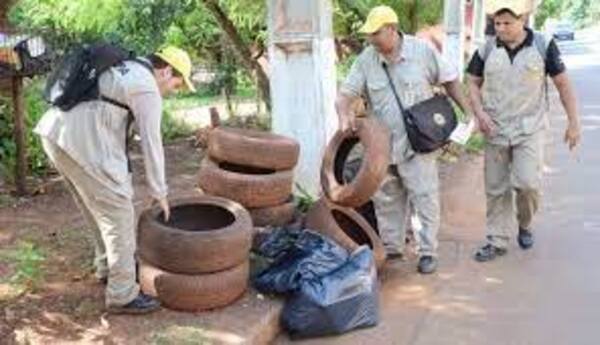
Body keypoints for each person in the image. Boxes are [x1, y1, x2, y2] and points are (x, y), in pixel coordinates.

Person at [34, 46, 196, 313]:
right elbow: (152, 144)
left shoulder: (128, 67)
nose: (173, 91)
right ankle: (122, 294)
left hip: (55, 134)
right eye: (177, 84)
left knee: (96, 205)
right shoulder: (146, 87)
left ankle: (107, 266)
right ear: (166, 70)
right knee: (118, 210)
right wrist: (160, 192)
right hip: (79, 140)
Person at [336, 5, 472, 274]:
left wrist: (467, 111)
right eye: (369, 35)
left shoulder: (421, 51)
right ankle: (393, 248)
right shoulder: (366, 60)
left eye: (375, 33)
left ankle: (427, 251)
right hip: (383, 146)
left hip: (418, 142)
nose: (371, 39)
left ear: (391, 29)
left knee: (424, 197)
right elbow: (345, 95)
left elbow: (450, 80)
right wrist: (344, 115)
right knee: (387, 198)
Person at [466, 2, 580, 262]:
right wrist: (479, 113)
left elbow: (562, 84)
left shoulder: (542, 45)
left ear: (523, 20)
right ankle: (497, 240)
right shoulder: (486, 48)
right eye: (497, 23)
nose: (501, 29)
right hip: (495, 128)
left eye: (507, 23)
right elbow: (472, 81)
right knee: (495, 188)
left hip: (530, 129)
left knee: (528, 184)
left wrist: (574, 123)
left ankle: (525, 224)